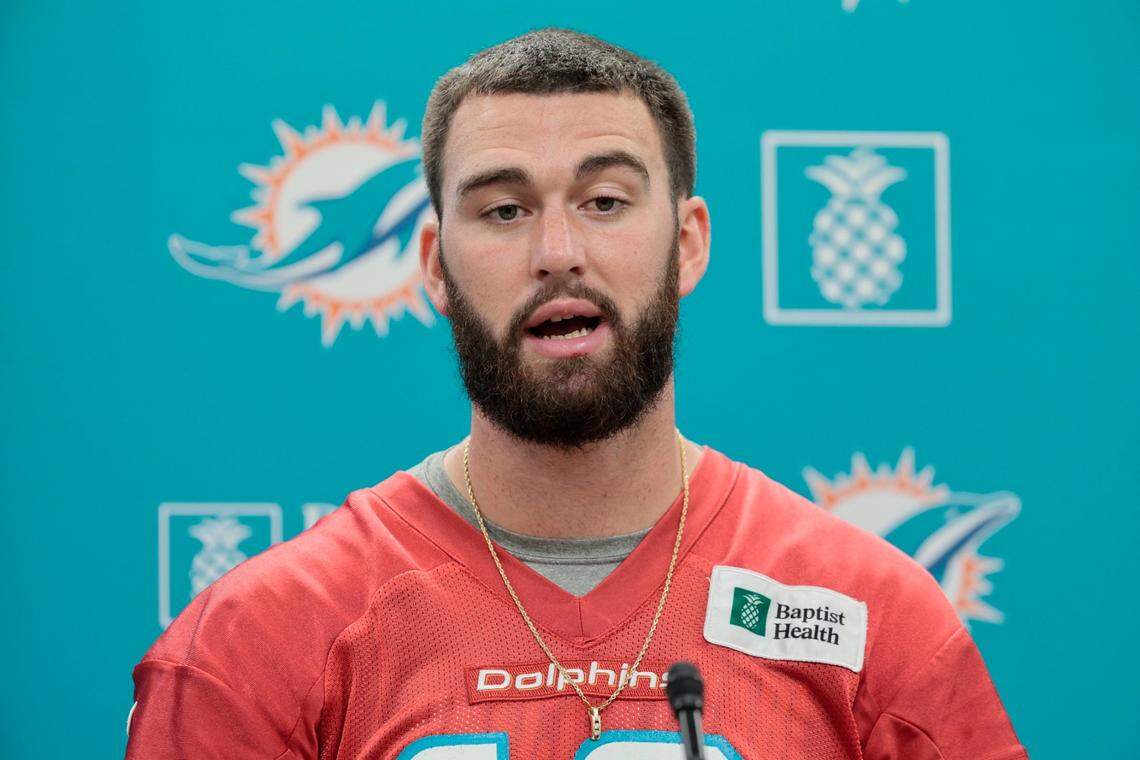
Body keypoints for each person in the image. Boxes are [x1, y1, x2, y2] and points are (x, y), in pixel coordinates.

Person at [126, 28, 1027, 759]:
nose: (557, 249)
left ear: (688, 243)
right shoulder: (261, 639)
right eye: (505, 210)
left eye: (605, 200)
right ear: (437, 267)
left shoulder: (872, 617)